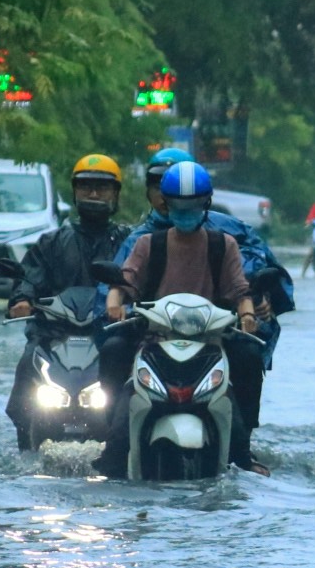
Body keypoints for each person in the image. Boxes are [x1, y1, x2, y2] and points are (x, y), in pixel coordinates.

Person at [97, 162, 270, 477]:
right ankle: (110, 446)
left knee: (248, 354)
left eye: (193, 205)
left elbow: (239, 289)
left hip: (211, 341)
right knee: (112, 349)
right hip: (154, 339)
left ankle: (243, 454)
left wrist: (246, 313)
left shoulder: (224, 245)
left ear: (206, 203)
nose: (185, 211)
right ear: (166, 203)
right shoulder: (148, 244)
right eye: (178, 205)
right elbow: (123, 282)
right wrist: (114, 302)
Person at [115, 151, 293, 366]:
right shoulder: (140, 242)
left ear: (205, 197)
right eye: (163, 187)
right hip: (155, 338)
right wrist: (118, 310)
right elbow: (117, 287)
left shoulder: (230, 236)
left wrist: (259, 300)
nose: (182, 196)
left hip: (219, 335)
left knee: (249, 357)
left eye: (191, 198)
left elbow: (260, 279)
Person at [5, 154, 128, 449]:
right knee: (27, 363)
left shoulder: (130, 241)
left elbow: (144, 281)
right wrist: (22, 298)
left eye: (102, 187)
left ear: (115, 194)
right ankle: (25, 441)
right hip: (54, 334)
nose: (94, 193)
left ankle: (129, 443)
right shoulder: (52, 241)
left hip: (112, 334)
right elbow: (29, 276)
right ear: (74, 192)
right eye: (86, 186)